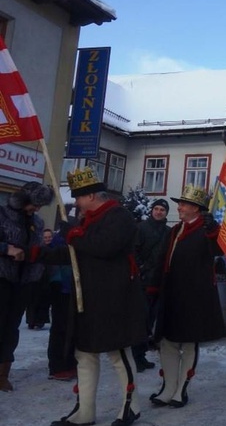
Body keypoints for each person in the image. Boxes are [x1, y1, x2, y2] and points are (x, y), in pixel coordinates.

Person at [44, 168, 146, 426]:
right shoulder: (86, 223)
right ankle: (85, 411)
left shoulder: (118, 216)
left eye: (78, 197)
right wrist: (32, 254)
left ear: (90, 196)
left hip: (114, 299)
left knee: (117, 353)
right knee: (85, 354)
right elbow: (75, 253)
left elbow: (103, 246)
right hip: (86, 299)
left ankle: (130, 407)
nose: (76, 203)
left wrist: (73, 234)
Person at [149, 185, 225, 409]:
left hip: (195, 297)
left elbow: (217, 250)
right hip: (171, 294)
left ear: (195, 208)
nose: (179, 207)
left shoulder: (206, 229)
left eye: (183, 204)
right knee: (167, 342)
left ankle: (181, 389)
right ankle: (168, 387)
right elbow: (162, 259)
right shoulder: (175, 230)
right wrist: (154, 287)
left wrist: (213, 231)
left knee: (189, 343)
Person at [0, 181, 54, 392]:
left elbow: (39, 248)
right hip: (2, 277)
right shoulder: (2, 215)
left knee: (11, 328)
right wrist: (6, 249)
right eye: (35, 204)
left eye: (40, 205)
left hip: (24, 281)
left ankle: (3, 373)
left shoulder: (38, 223)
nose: (37, 209)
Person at [132, 198, 171, 373]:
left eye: (162, 209)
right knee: (140, 319)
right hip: (143, 281)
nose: (159, 212)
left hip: (159, 282)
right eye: (156, 208)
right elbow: (134, 251)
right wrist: (140, 268)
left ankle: (142, 354)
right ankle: (135, 356)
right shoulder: (141, 228)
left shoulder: (169, 232)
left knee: (150, 321)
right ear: (151, 210)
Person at [46, 227, 77, 381]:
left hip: (76, 289)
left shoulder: (84, 236)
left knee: (73, 328)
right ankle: (57, 366)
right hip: (62, 288)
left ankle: (70, 362)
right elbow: (53, 260)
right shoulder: (60, 239)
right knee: (60, 327)